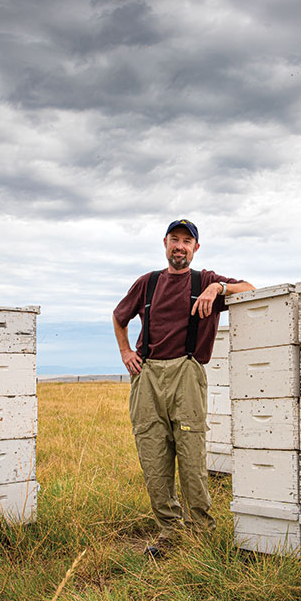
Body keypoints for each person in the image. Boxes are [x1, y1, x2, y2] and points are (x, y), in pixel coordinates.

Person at [112, 220, 255, 557]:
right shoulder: (147, 283)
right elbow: (120, 317)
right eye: (174, 240)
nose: (180, 246)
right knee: (153, 457)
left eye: (186, 241)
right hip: (147, 375)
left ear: (196, 248)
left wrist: (218, 288)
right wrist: (125, 352)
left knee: (191, 458)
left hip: (187, 373)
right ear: (165, 244)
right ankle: (168, 533)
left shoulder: (204, 279)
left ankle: (201, 534)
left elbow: (250, 288)